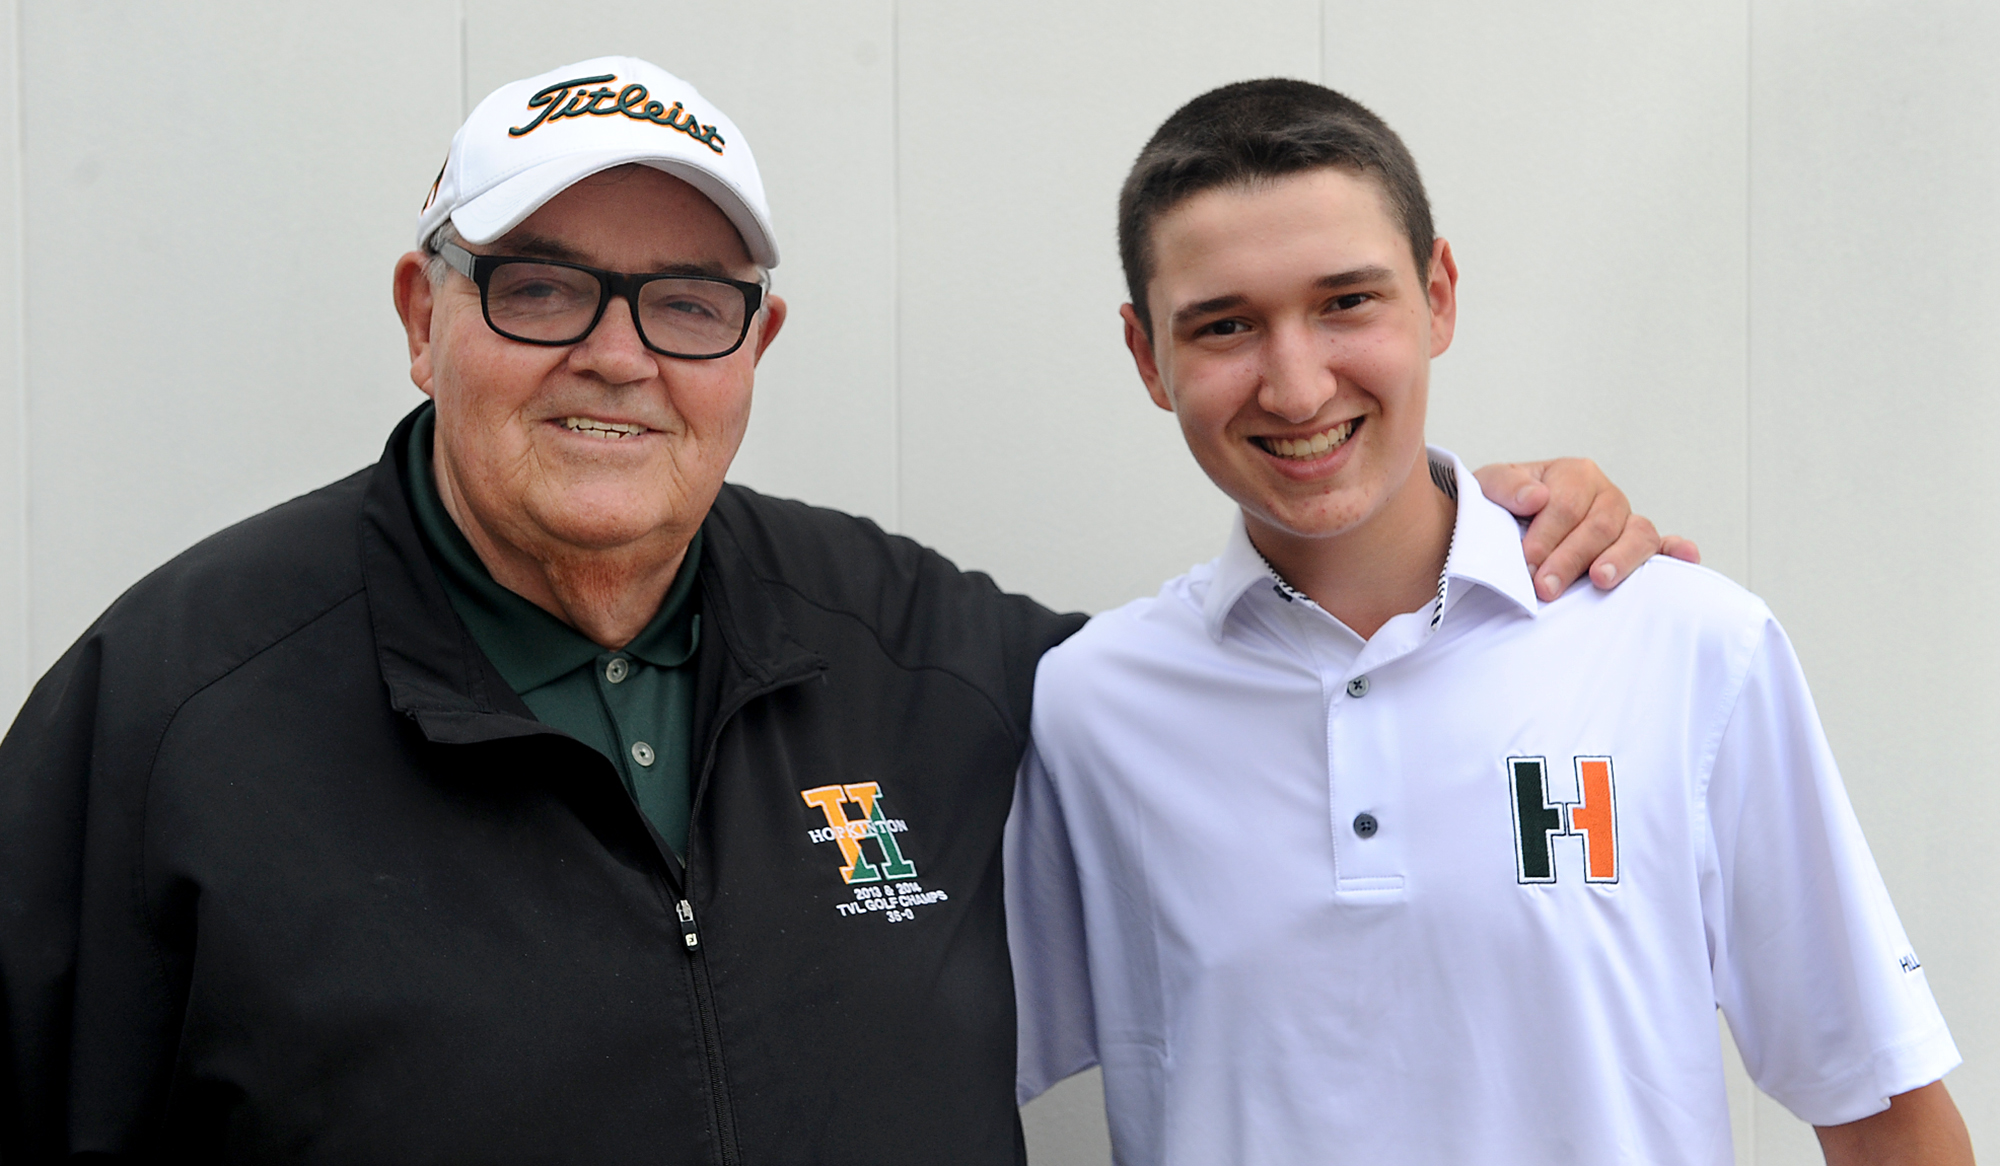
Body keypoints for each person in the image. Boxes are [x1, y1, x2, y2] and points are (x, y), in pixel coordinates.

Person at [0, 58, 1667, 1163]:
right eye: (539, 284)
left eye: (690, 301)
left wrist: (1473, 532)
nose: (617, 350)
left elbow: (1269, 696)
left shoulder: (919, 651)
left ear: (758, 348)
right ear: (418, 316)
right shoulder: (173, 713)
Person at [1008, 79, 1973, 1166]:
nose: (1293, 383)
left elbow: (1883, 1115)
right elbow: (898, 1064)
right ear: (1148, 357)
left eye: (1345, 302)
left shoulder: (1685, 642)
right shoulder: (1086, 705)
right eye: (1225, 325)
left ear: (1437, 295)